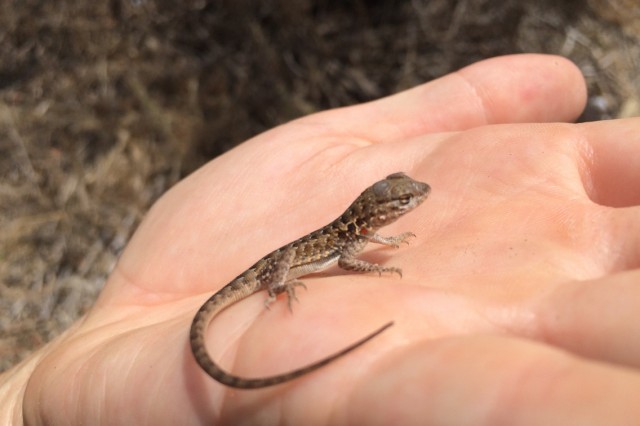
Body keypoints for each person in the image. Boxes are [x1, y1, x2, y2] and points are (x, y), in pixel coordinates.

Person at [3, 54, 640, 425]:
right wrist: (303, 280)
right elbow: (345, 258)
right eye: (402, 200)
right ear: (376, 212)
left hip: (291, 257)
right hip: (274, 267)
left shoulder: (352, 230)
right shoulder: (343, 242)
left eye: (407, 197)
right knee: (289, 274)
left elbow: (352, 247)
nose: (412, 200)